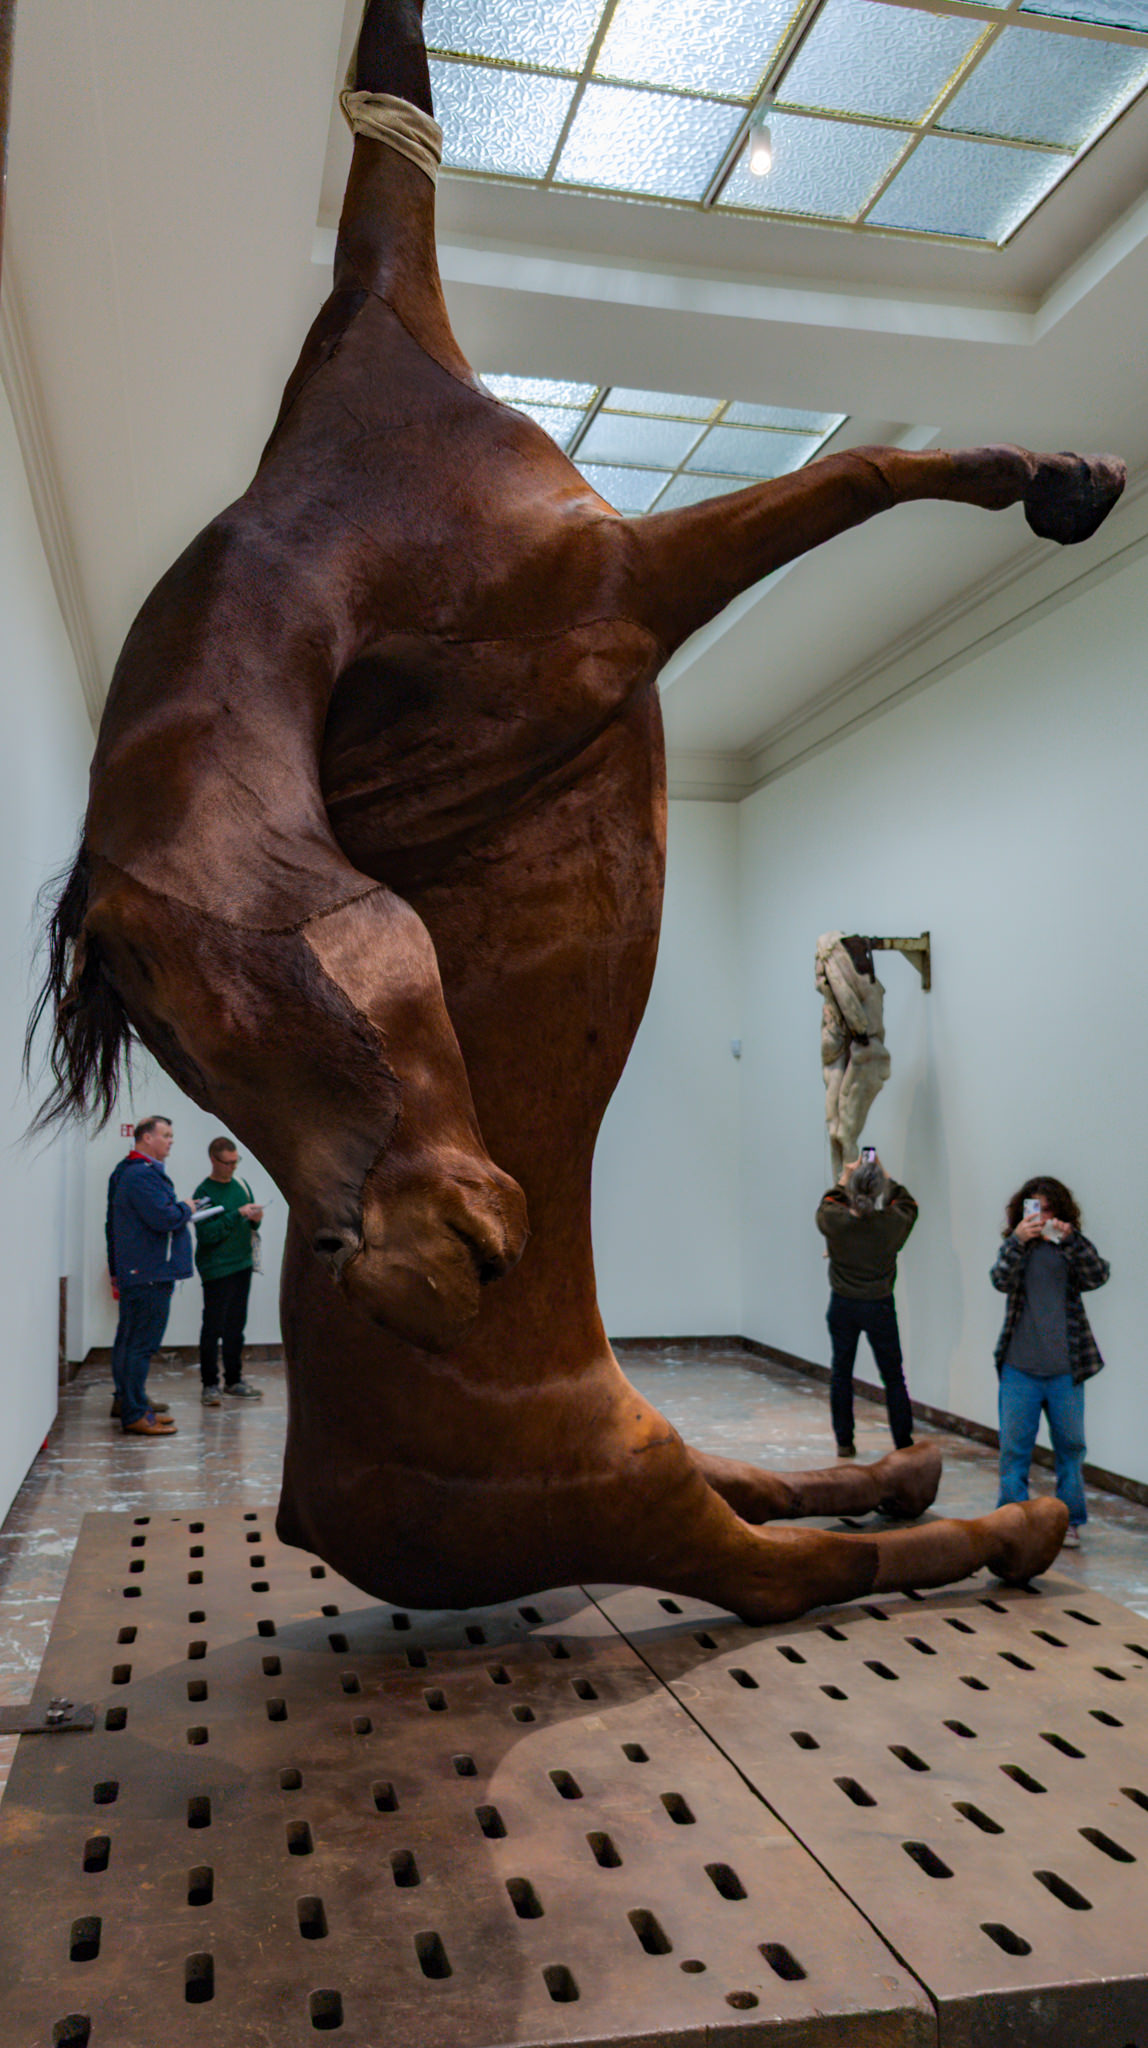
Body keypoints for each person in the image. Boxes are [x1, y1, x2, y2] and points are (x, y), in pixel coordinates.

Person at [991, 1177, 1109, 1551]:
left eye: (1046, 1208)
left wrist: (1071, 1239)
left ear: (1060, 1212)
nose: (1040, 1216)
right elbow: (999, 1280)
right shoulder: (1017, 1247)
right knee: (1014, 1449)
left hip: (1065, 1370)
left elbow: (1098, 1275)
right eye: (1033, 1208)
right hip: (1019, 1368)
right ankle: (1011, 1519)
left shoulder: (1069, 1249)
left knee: (1071, 1448)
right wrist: (1017, 1241)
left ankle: (1069, 1520)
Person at [816, 1152, 918, 1460]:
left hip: (843, 1305)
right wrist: (885, 1178)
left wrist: (846, 1178)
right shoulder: (890, 1225)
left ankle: (844, 1442)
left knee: (841, 1374)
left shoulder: (835, 1222)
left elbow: (828, 1202)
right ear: (876, 1193)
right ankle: (903, 1442)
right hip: (879, 1306)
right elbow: (908, 1204)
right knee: (893, 1377)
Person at [110, 1115, 194, 1436]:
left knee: (135, 1344)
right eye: (166, 1135)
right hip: (147, 1273)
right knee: (140, 1347)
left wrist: (179, 1209)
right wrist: (186, 1208)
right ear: (146, 1138)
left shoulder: (139, 1174)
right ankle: (134, 1413)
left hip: (144, 1271)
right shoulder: (140, 1176)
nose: (171, 1140)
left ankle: (137, 1406)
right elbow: (163, 1217)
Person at [193, 1136, 265, 1405]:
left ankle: (234, 1380)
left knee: (236, 1326)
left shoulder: (241, 1186)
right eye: (228, 1163)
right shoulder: (204, 1193)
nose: (233, 1167)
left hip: (242, 1265)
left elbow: (249, 1227)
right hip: (216, 1269)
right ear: (213, 1160)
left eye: (236, 1162)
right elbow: (208, 1234)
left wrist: (255, 1220)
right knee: (213, 1328)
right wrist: (237, 1214)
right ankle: (210, 1384)